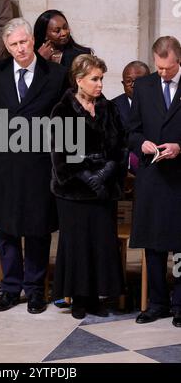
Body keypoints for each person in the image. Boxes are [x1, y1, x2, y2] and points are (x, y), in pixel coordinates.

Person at [0, 17, 67, 314]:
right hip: (5, 164)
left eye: (24, 42)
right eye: (14, 44)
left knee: (36, 229)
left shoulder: (56, 75)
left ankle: (34, 290)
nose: (20, 48)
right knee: (6, 229)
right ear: (6, 46)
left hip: (39, 164)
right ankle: (10, 288)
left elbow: (63, 119)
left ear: (34, 41)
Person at [51, 54, 126, 319]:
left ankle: (95, 296)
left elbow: (120, 148)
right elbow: (62, 158)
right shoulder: (63, 110)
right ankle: (79, 298)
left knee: (101, 243)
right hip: (74, 193)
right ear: (79, 80)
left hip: (103, 191)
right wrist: (88, 178)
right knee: (77, 245)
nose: (100, 84)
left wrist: (105, 173)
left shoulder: (109, 108)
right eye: (95, 79)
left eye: (102, 79)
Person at [129, 36, 181, 327]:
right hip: (152, 177)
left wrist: (179, 147)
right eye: (159, 68)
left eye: (168, 68)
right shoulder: (145, 86)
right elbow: (132, 130)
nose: (163, 73)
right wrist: (143, 144)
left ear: (179, 60)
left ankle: (180, 303)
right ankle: (157, 303)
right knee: (154, 244)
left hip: (179, 177)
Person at [112, 60, 150, 175]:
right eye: (129, 81)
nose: (133, 85)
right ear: (123, 84)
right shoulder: (113, 106)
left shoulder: (162, 103)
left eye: (138, 81)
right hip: (123, 169)